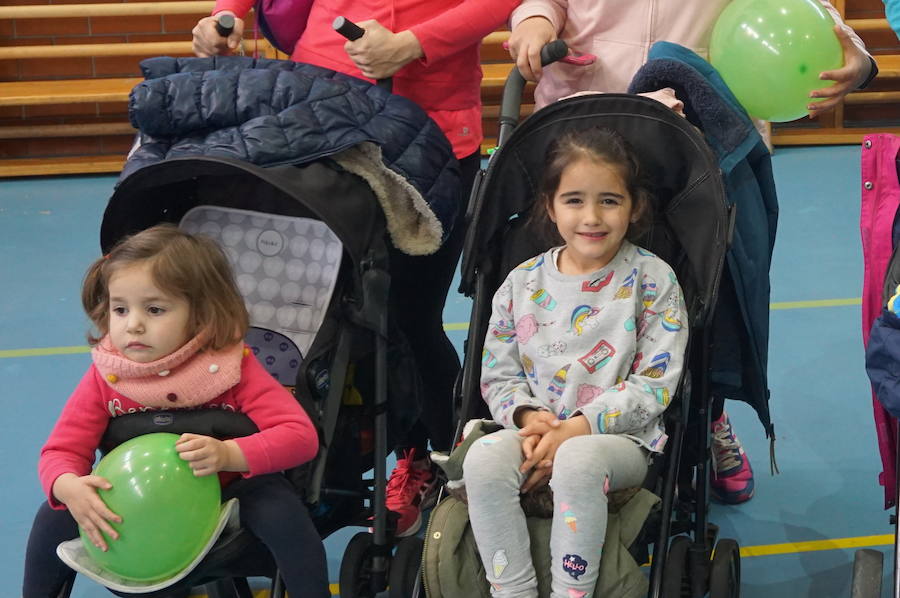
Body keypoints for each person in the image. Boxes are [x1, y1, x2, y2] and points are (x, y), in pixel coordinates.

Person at [506, 0, 877, 505]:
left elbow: (808, 14)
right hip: (580, 138)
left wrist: (855, 53)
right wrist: (534, 21)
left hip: (695, 149)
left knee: (703, 296)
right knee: (579, 301)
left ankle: (707, 414)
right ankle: (565, 408)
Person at [192, 0, 521, 537]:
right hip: (317, 117)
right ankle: (322, 472)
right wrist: (221, 18)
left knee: (409, 318)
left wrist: (413, 44)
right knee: (320, 318)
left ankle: (435, 458)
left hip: (428, 131)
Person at [22, 225, 329, 598]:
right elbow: (61, 451)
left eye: (154, 309)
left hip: (227, 496)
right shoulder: (107, 376)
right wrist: (67, 485)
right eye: (120, 309)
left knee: (280, 509)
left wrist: (230, 454)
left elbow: (300, 436)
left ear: (201, 314)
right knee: (52, 514)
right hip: (138, 500)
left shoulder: (232, 369)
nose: (132, 323)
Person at [463, 126, 688, 597]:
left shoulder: (653, 279)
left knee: (580, 461)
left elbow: (654, 385)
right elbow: (498, 374)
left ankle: (573, 591)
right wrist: (528, 418)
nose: (591, 217)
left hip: (617, 440)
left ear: (633, 207)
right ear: (549, 206)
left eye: (609, 200)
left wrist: (574, 430)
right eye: (574, 200)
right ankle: (513, 590)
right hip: (532, 430)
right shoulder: (521, 283)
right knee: (483, 458)